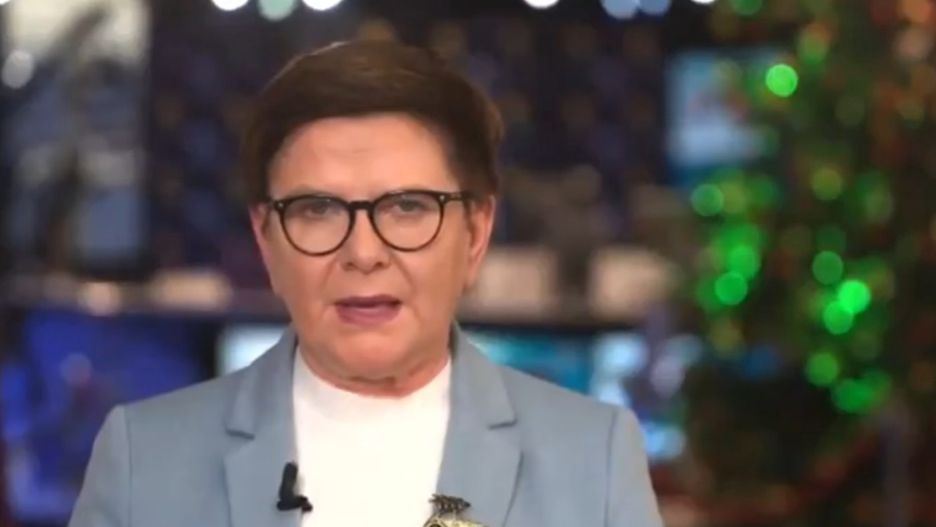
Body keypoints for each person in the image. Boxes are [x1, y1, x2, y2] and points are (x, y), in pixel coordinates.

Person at [69, 40, 663, 527]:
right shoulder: (142, 461)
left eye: (407, 207)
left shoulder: (593, 456)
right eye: (318, 210)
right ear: (265, 239)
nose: (363, 253)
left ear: (476, 232)